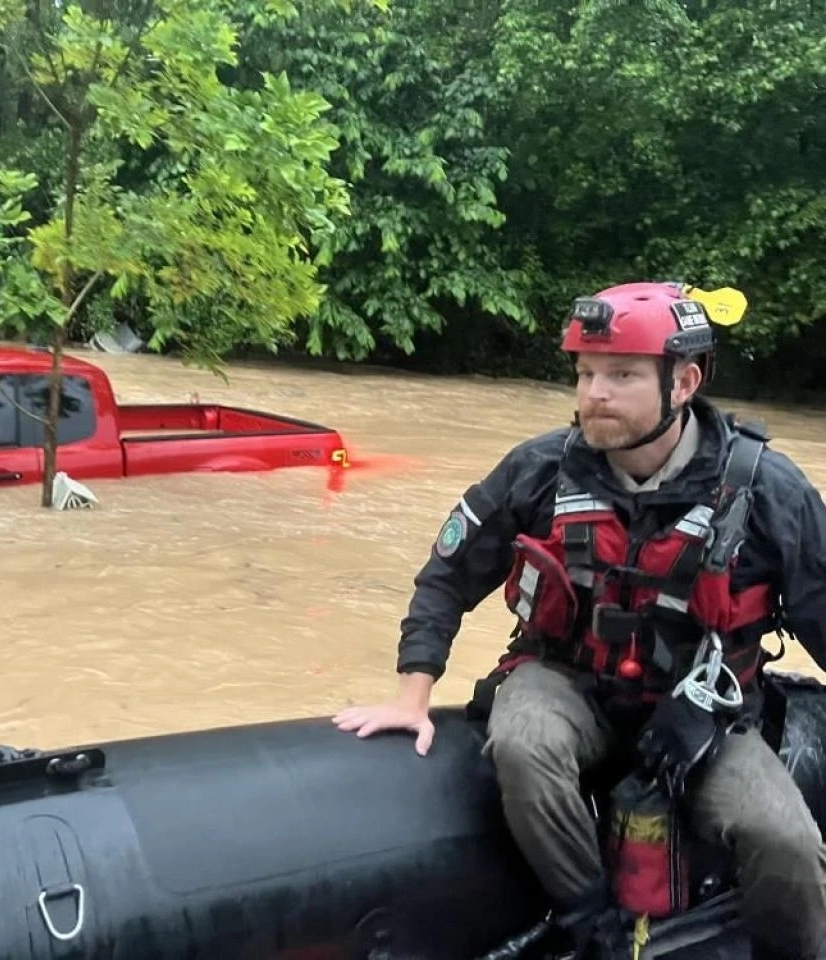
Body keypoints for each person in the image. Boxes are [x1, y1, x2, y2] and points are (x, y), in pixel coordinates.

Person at [333, 282, 826, 959]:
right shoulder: (539, 470)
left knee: (785, 839)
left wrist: (710, 711)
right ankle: (593, 925)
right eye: (586, 372)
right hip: (570, 683)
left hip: (703, 710)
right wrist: (411, 695)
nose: (595, 391)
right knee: (522, 740)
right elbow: (448, 574)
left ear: (683, 381)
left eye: (621, 375)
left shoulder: (769, 489)